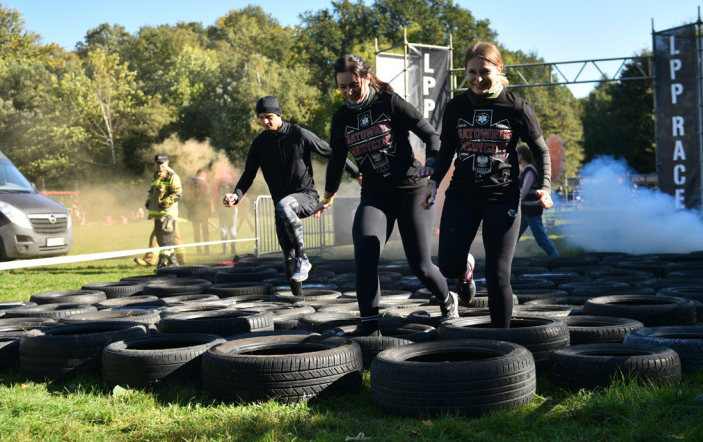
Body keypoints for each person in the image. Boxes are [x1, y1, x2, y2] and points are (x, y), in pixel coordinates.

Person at [315, 55, 460, 337]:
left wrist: (431, 164)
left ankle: (447, 299)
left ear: (366, 78)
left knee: (420, 265)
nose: (348, 93)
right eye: (342, 88)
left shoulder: (389, 103)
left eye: (353, 85)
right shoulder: (341, 119)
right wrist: (328, 196)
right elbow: (336, 162)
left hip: (410, 191)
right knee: (366, 252)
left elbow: (431, 135)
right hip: (375, 196)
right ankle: (369, 326)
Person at [421, 42, 553, 328]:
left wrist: (545, 186)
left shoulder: (517, 106)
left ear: (499, 69)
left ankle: (502, 345)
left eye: (484, 71)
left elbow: (540, 150)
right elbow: (446, 152)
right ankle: (465, 270)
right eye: (471, 72)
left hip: (502, 198)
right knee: (448, 265)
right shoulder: (455, 107)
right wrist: (433, 183)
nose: (478, 78)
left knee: (498, 275)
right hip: (462, 196)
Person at [223, 96, 359, 293]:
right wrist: (236, 195)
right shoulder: (259, 143)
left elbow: (333, 153)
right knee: (287, 257)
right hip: (281, 206)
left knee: (285, 207)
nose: (264, 122)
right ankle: (298, 299)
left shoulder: (299, 134)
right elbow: (248, 175)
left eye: (268, 116)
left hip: (306, 197)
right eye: (260, 118)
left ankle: (303, 258)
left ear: (279, 114)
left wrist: (357, 173)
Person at [134, 153, 185, 268]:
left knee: (160, 238)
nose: (160, 165)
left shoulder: (172, 176)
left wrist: (164, 203)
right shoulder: (156, 175)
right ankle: (178, 259)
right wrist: (148, 201)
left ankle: (153, 261)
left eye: (162, 163)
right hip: (159, 215)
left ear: (167, 163)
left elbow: (178, 194)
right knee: (170, 238)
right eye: (158, 163)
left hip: (167, 214)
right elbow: (152, 192)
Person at [516, 144, 559, 257]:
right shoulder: (526, 170)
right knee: (513, 237)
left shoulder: (530, 170)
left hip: (531, 210)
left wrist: (515, 202)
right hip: (525, 210)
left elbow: (524, 191)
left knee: (541, 238)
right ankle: (502, 257)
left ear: (520, 156)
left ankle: (556, 258)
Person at [184, 168, 214, 255]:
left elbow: (185, 198)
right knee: (205, 231)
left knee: (196, 231)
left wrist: (189, 207)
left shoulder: (188, 184)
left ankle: (198, 250)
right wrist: (209, 213)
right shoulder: (206, 185)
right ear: (203, 175)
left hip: (193, 211)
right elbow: (208, 199)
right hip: (204, 211)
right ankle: (207, 250)